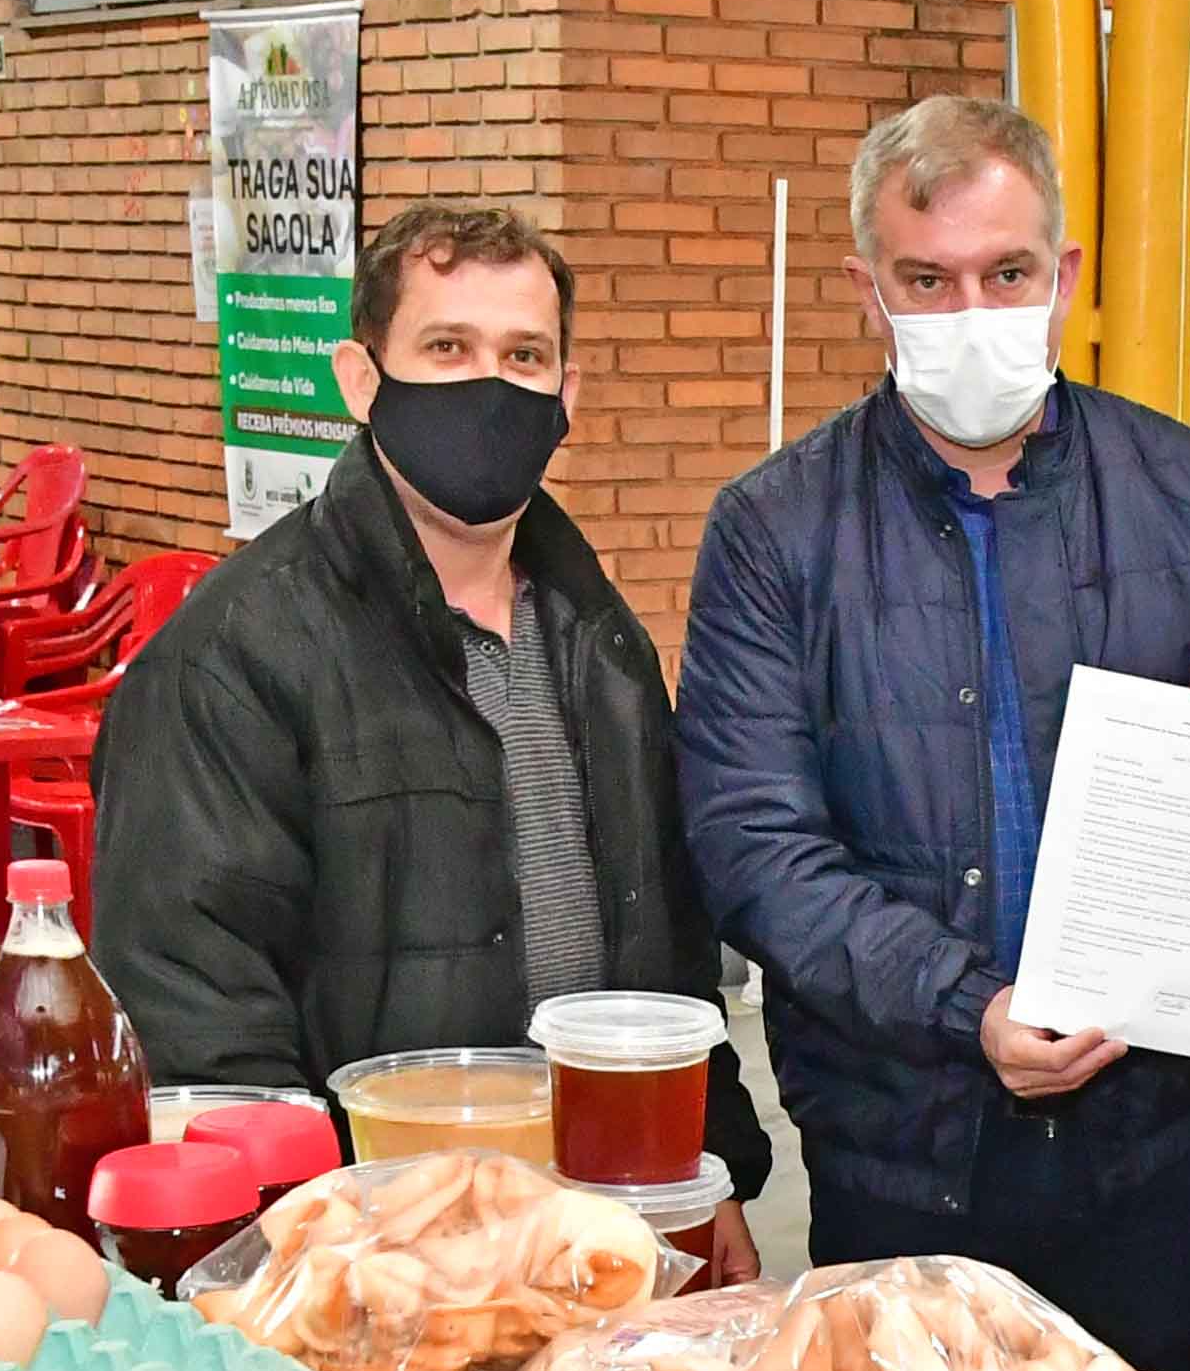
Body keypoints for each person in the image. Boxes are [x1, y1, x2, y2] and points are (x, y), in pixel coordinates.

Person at [677, 96, 1190, 1371]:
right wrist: (971, 1006)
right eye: (925, 281)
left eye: (1005, 274)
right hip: (900, 1160)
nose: (971, 312)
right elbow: (755, 850)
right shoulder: (775, 529)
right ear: (865, 292)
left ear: (1063, 278)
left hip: (1145, 1165)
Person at [93, 198, 773, 1280]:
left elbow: (670, 948)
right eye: (446, 348)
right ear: (361, 380)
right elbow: (197, 1010)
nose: (488, 386)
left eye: (524, 355)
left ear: (567, 394)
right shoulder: (237, 655)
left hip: (605, 1231)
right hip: (380, 1258)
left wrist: (709, 1165)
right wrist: (308, 1259)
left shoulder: (603, 644)